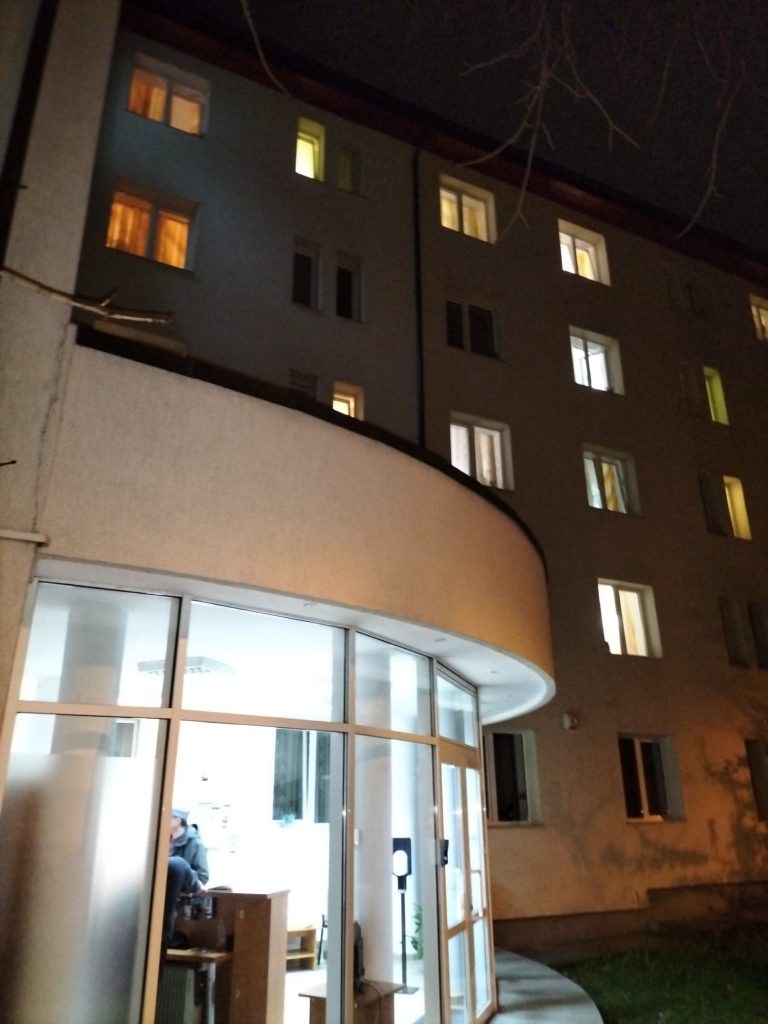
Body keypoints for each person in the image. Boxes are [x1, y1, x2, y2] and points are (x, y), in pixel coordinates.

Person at [163, 807, 210, 948]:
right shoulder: (163, 838)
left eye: (168, 817)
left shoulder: (194, 843)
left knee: (177, 864)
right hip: (165, 889)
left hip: (183, 891)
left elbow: (202, 876)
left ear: (178, 820)